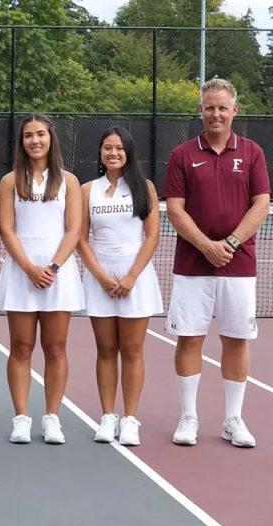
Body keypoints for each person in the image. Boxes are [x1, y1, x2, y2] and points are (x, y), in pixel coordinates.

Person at [164, 78, 270, 448]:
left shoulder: (253, 152)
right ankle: (189, 417)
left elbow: (261, 205)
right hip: (192, 267)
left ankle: (232, 420)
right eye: (210, 107)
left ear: (234, 111)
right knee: (189, 339)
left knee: (237, 341)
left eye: (223, 107)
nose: (216, 113)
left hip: (238, 267)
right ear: (201, 111)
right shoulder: (181, 155)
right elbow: (175, 210)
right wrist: (206, 246)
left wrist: (230, 243)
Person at [0, 113, 83, 445]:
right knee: (21, 347)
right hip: (21, 273)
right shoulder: (9, 181)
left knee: (56, 347)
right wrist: (30, 268)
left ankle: (52, 418)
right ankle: (21, 418)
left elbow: (74, 229)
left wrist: (53, 267)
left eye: (41, 134)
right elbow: (6, 229)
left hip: (58, 275)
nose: (35, 140)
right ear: (22, 141)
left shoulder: (69, 181)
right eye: (29, 135)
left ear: (51, 139)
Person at [76, 126, 162, 446]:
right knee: (106, 349)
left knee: (132, 350)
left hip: (135, 277)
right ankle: (107, 416)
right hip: (100, 277)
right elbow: (81, 238)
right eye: (107, 148)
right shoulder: (87, 191)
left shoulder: (145, 188)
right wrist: (99, 275)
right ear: (100, 153)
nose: (113, 153)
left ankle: (130, 419)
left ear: (129, 152)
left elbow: (152, 236)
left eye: (119, 148)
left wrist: (131, 277)